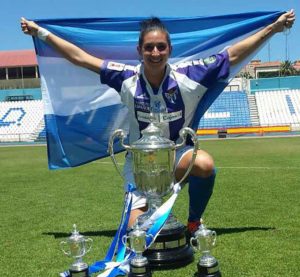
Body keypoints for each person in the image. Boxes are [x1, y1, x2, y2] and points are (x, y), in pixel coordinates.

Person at [21, 11, 295, 234]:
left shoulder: (191, 75)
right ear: (139, 50)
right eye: (149, 47)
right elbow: (80, 57)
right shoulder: (124, 77)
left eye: (160, 47)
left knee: (204, 164)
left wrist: (273, 28)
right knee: (137, 233)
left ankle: (193, 222)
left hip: (176, 158)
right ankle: (149, 213)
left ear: (169, 49)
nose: (155, 52)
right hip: (140, 166)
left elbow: (232, 55)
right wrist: (40, 32)